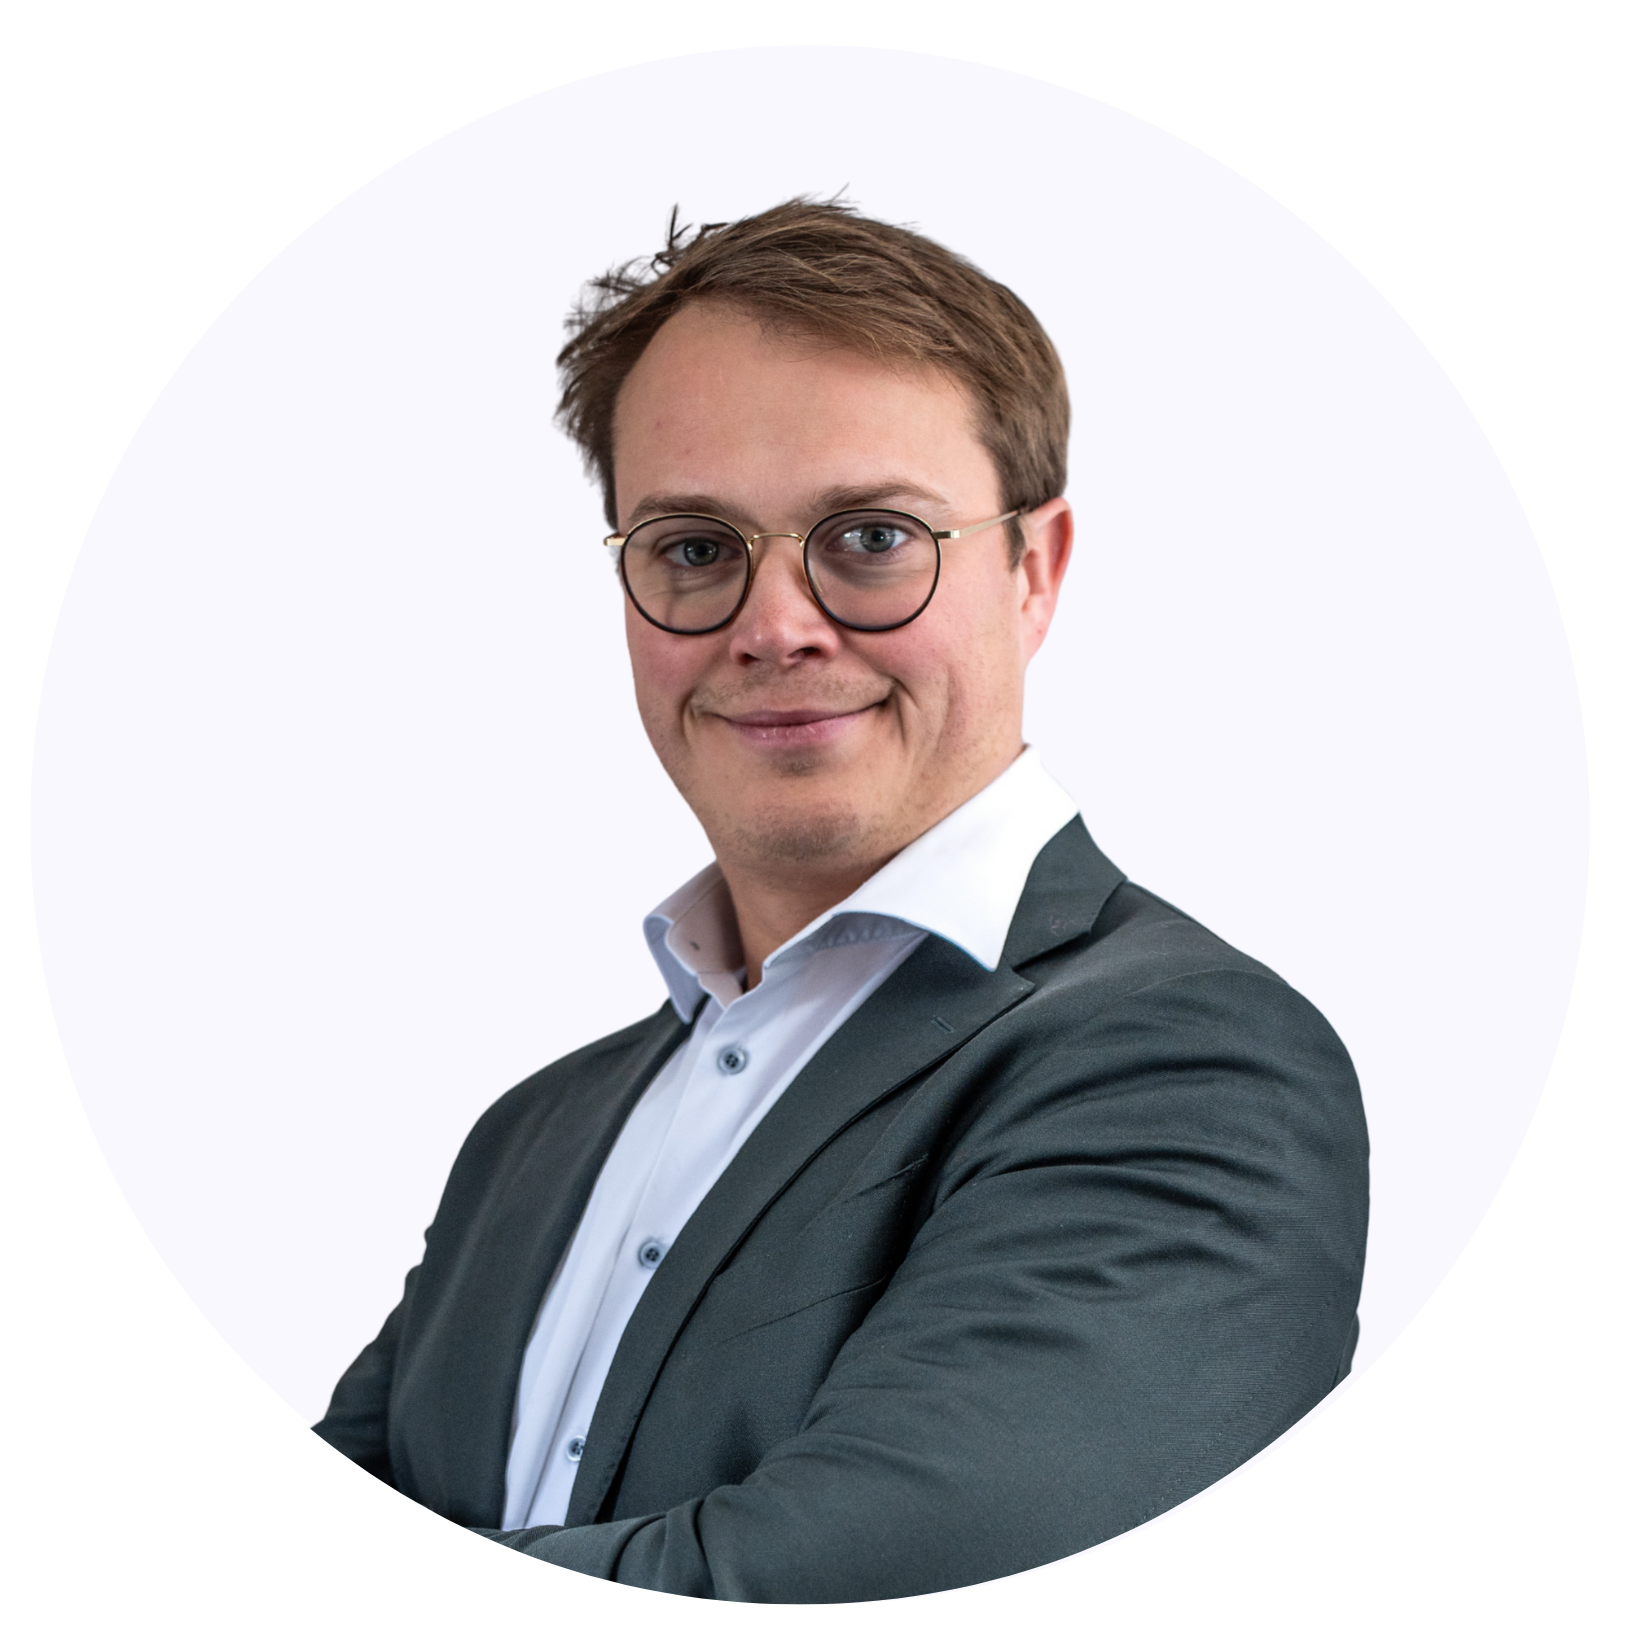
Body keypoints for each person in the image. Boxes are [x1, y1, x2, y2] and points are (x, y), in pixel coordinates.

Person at [315, 198, 1369, 1602]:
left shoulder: (1193, 1069)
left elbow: (837, 1582)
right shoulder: (531, 1134)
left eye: (870, 536)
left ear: (1033, 570)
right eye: (695, 548)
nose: (773, 626)